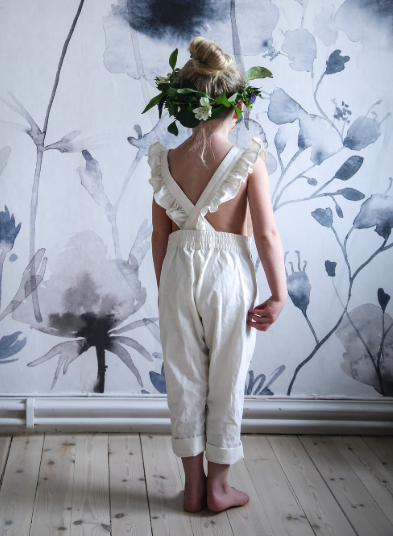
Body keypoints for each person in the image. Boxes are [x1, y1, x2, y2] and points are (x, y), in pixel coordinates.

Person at [147, 36, 286, 514]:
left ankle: (191, 486)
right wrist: (278, 293)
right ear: (240, 102)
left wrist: (168, 285)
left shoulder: (165, 161)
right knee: (228, 377)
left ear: (183, 103)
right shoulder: (248, 160)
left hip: (177, 273)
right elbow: (266, 234)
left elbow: (158, 236)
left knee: (184, 376)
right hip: (229, 276)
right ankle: (220, 487)